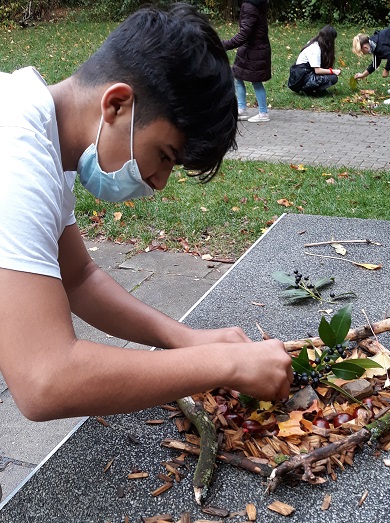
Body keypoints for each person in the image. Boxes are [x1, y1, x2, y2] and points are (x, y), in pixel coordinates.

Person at [0, 3, 293, 423]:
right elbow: (44, 378)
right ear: (116, 104)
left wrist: (186, 339)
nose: (159, 182)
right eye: (164, 155)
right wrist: (224, 366)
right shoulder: (13, 153)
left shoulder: (41, 129)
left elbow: (78, 276)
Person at [222, 0, 271, 123]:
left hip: (255, 49)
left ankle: (263, 113)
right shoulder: (256, 3)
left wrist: (224, 45)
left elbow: (244, 34)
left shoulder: (250, 6)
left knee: (256, 81)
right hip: (250, 48)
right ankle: (242, 109)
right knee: (237, 76)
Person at [288, 25, 341, 96]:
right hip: (301, 78)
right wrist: (333, 71)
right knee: (333, 77)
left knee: (329, 75)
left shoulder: (315, 43)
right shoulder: (315, 48)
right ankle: (308, 89)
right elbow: (317, 70)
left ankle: (314, 89)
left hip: (304, 74)